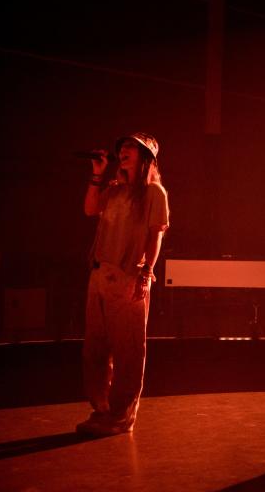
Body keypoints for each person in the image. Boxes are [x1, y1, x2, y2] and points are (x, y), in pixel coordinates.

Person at [76, 133, 169, 436]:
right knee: (95, 348)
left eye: (131, 148)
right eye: (123, 147)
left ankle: (121, 415)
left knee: (128, 349)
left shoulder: (154, 193)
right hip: (100, 273)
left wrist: (146, 272)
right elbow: (90, 209)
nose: (124, 151)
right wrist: (97, 174)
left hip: (129, 275)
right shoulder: (115, 190)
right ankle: (102, 409)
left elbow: (156, 234)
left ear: (146, 158)